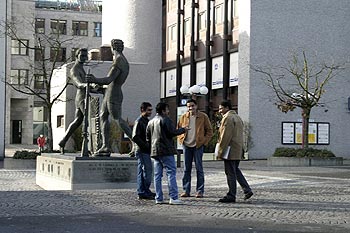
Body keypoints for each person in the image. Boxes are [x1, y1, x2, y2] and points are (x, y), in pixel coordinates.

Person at [86, 39, 132, 157]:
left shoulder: (119, 61)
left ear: (113, 48)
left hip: (114, 93)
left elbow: (108, 79)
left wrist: (94, 79)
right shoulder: (120, 60)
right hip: (109, 92)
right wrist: (99, 87)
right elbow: (108, 82)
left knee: (117, 119)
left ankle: (136, 142)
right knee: (103, 116)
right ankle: (105, 146)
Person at [146, 102, 188, 205]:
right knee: (171, 173)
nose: (168, 111)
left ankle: (158, 198)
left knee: (157, 176)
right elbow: (172, 132)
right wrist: (183, 130)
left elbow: (147, 137)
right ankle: (173, 197)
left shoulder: (151, 122)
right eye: (167, 109)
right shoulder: (166, 120)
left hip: (155, 151)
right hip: (166, 150)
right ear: (164, 110)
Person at [216, 100, 253, 203]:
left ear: (227, 108)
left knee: (230, 172)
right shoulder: (237, 117)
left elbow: (225, 136)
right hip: (237, 149)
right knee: (235, 170)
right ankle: (247, 189)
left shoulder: (228, 118)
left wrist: (220, 151)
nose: (219, 111)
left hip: (229, 150)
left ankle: (231, 195)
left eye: (221, 108)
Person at [177, 99, 213, 198]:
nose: (190, 108)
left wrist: (204, 142)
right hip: (187, 145)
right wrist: (181, 140)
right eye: (188, 106)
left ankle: (200, 191)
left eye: (192, 106)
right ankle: (186, 190)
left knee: (199, 169)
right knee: (186, 169)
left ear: (196, 106)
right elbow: (178, 130)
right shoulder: (184, 117)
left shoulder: (203, 116)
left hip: (198, 145)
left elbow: (209, 131)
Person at [58, 48, 90, 154]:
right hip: (81, 98)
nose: (84, 58)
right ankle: (88, 146)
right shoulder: (75, 69)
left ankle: (63, 141)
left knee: (77, 121)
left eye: (86, 56)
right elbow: (79, 83)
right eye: (82, 56)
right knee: (89, 119)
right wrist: (90, 85)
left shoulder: (81, 68)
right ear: (76, 56)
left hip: (83, 96)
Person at [132, 102, 155, 200]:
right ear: (142, 110)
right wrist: (145, 146)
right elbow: (135, 136)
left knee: (143, 171)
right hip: (142, 150)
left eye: (151, 110)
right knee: (147, 170)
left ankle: (143, 190)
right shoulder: (139, 121)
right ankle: (143, 191)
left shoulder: (145, 120)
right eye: (149, 110)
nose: (150, 112)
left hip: (144, 149)